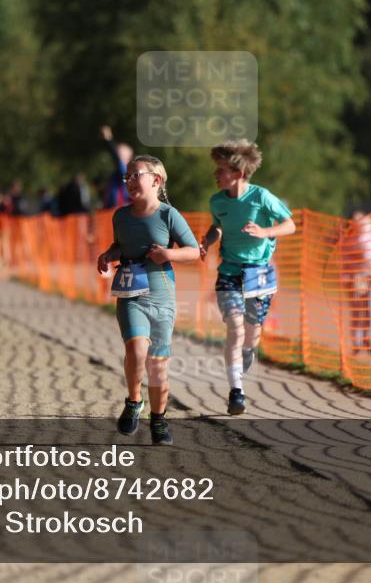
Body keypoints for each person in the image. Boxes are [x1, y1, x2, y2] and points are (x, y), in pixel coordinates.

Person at [97, 156, 199, 445]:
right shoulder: (121, 216)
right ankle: (133, 401)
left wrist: (168, 255)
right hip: (131, 294)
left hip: (162, 295)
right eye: (126, 177)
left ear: (156, 180)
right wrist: (108, 255)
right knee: (137, 350)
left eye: (135, 175)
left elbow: (193, 251)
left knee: (157, 364)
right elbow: (120, 247)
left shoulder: (169, 215)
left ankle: (159, 419)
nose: (128, 181)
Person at [199, 141, 296, 415]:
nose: (215, 175)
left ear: (238, 174)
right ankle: (236, 392)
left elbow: (290, 224)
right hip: (229, 271)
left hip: (260, 274)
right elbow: (217, 227)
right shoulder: (217, 201)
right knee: (235, 327)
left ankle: (248, 354)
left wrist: (265, 232)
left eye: (221, 170)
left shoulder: (261, 197)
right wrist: (207, 241)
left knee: (252, 333)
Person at [344, 211, 371, 355]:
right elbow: (344, 259)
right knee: (357, 312)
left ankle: (367, 337)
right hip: (355, 279)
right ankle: (356, 343)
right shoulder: (349, 240)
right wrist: (349, 276)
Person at [100, 125, 133, 209]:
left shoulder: (127, 174)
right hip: (110, 213)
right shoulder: (116, 174)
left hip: (120, 212)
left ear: (129, 158)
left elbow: (117, 160)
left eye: (120, 154)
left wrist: (109, 140)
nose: (117, 155)